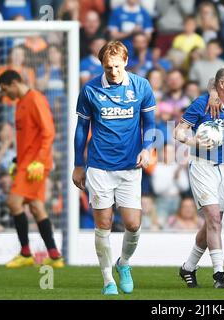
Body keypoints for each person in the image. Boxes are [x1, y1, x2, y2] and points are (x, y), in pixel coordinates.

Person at [72, 41, 156, 295]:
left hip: (130, 167)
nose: (114, 72)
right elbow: (81, 129)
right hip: (99, 167)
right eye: (108, 67)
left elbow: (150, 123)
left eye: (117, 66)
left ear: (126, 62)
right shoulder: (90, 90)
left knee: (132, 224)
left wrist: (147, 147)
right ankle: (108, 279)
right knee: (104, 224)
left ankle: (124, 263)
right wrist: (78, 164)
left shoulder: (141, 86)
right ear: (102, 65)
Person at [174, 65, 224, 289]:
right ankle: (219, 275)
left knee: (214, 222)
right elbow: (179, 131)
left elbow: (215, 80)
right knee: (213, 217)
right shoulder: (202, 103)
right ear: (222, 85)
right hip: (203, 166)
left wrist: (214, 90)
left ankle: (188, 267)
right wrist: (194, 142)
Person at [0, 70, 63, 268]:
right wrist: (18, 161)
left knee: (13, 202)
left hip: (35, 165)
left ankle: (26, 253)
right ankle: (54, 255)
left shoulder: (36, 99)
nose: (5, 94)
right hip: (26, 163)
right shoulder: (19, 104)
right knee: (35, 207)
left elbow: (48, 132)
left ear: (15, 83)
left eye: (5, 89)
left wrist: (39, 161)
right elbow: (28, 138)